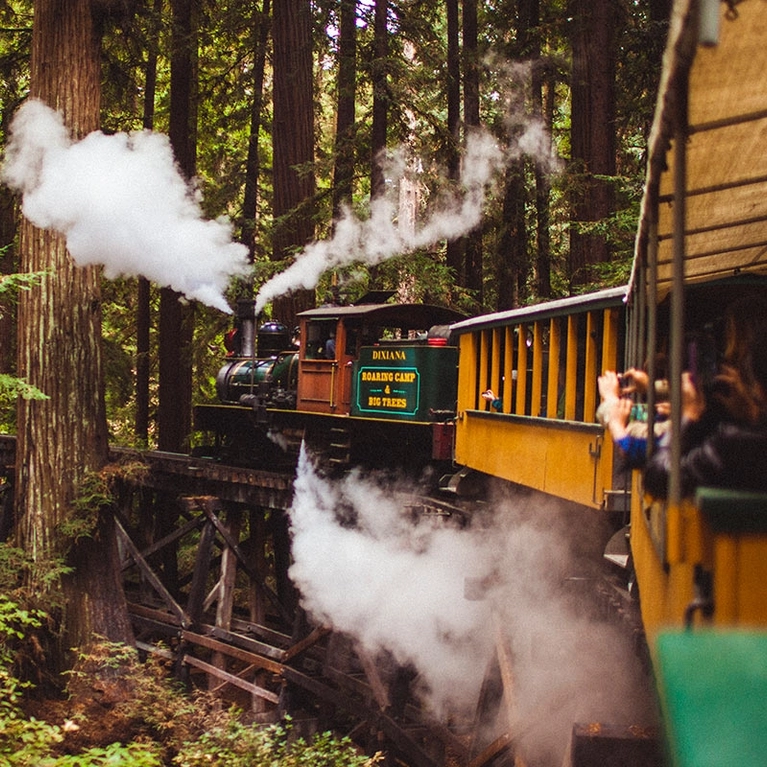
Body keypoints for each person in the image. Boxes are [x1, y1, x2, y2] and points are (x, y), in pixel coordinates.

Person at [643, 295, 767, 498]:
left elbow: (658, 479)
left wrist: (687, 416)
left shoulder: (734, 445)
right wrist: (751, 414)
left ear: (759, 385)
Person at [597, 367, 670, 468]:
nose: (663, 407)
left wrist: (612, 403)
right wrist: (651, 387)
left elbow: (637, 447)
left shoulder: (683, 430)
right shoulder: (683, 419)